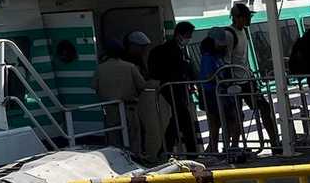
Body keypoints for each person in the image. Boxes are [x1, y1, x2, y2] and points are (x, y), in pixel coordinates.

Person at [224, 2, 279, 150]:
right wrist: (230, 83)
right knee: (237, 115)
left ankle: (275, 143)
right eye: (246, 17)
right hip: (235, 82)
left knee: (265, 108)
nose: (249, 20)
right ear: (237, 18)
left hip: (247, 79)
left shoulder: (244, 31)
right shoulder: (229, 35)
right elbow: (226, 61)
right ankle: (234, 147)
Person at [92, 35, 157, 158]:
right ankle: (135, 159)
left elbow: (94, 86)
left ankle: (116, 159)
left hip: (110, 108)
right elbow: (142, 85)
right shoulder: (130, 66)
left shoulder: (100, 68)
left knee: (114, 136)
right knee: (133, 136)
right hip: (129, 107)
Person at [148, 22, 200, 154]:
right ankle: (191, 152)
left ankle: (165, 151)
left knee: (178, 119)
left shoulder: (177, 49)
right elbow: (179, 69)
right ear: (179, 35)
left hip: (173, 88)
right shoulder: (171, 50)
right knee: (184, 118)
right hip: (172, 88)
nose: (189, 38)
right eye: (188, 35)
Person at [196, 36, 228, 153]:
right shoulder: (210, 58)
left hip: (212, 92)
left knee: (216, 122)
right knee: (215, 122)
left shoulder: (212, 58)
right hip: (211, 93)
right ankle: (213, 147)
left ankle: (213, 147)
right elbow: (209, 76)